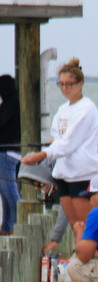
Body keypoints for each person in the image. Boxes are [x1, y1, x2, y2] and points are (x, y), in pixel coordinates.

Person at [21, 57, 98, 234]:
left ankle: (94, 258)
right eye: (62, 84)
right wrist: (51, 148)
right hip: (63, 174)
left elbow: (68, 143)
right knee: (75, 226)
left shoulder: (87, 109)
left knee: (87, 227)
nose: (65, 88)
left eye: (70, 84)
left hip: (82, 174)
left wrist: (41, 155)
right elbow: (58, 138)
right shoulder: (63, 109)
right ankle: (80, 259)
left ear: (80, 83)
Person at [19, 149, 98, 258]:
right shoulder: (59, 162)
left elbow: (65, 206)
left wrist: (56, 238)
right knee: (90, 217)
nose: (38, 188)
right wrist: (57, 238)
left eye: (39, 184)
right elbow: (68, 203)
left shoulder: (65, 165)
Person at [0, 74, 20, 235]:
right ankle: (7, 226)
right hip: (13, 151)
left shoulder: (11, 103)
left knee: (9, 191)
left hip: (7, 152)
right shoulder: (15, 101)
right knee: (4, 191)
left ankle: (17, 225)